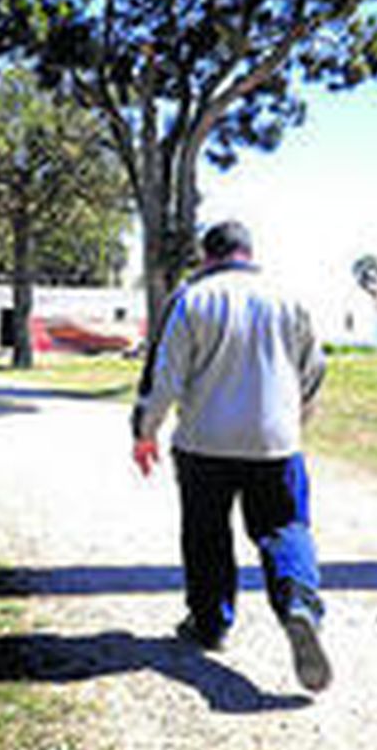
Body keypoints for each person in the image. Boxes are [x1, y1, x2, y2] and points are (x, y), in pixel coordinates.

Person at [130, 219, 331, 692]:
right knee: (284, 527)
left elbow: (166, 377)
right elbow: (314, 371)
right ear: (249, 251)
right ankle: (299, 604)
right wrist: (294, 421)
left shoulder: (191, 299)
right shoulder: (290, 299)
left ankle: (211, 623)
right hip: (275, 444)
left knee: (206, 534)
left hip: (204, 444)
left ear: (208, 255)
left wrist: (146, 432)